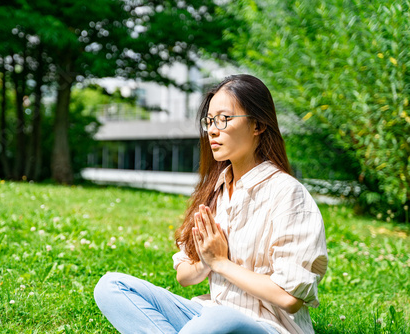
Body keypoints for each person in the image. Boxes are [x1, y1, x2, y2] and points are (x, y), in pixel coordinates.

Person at [94, 74, 328, 334]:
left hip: (266, 327)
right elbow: (184, 275)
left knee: (218, 320)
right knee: (111, 286)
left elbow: (289, 298)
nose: (213, 130)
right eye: (209, 121)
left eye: (224, 119)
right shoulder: (214, 191)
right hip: (207, 316)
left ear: (258, 125)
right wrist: (206, 260)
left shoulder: (288, 194)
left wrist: (220, 263)